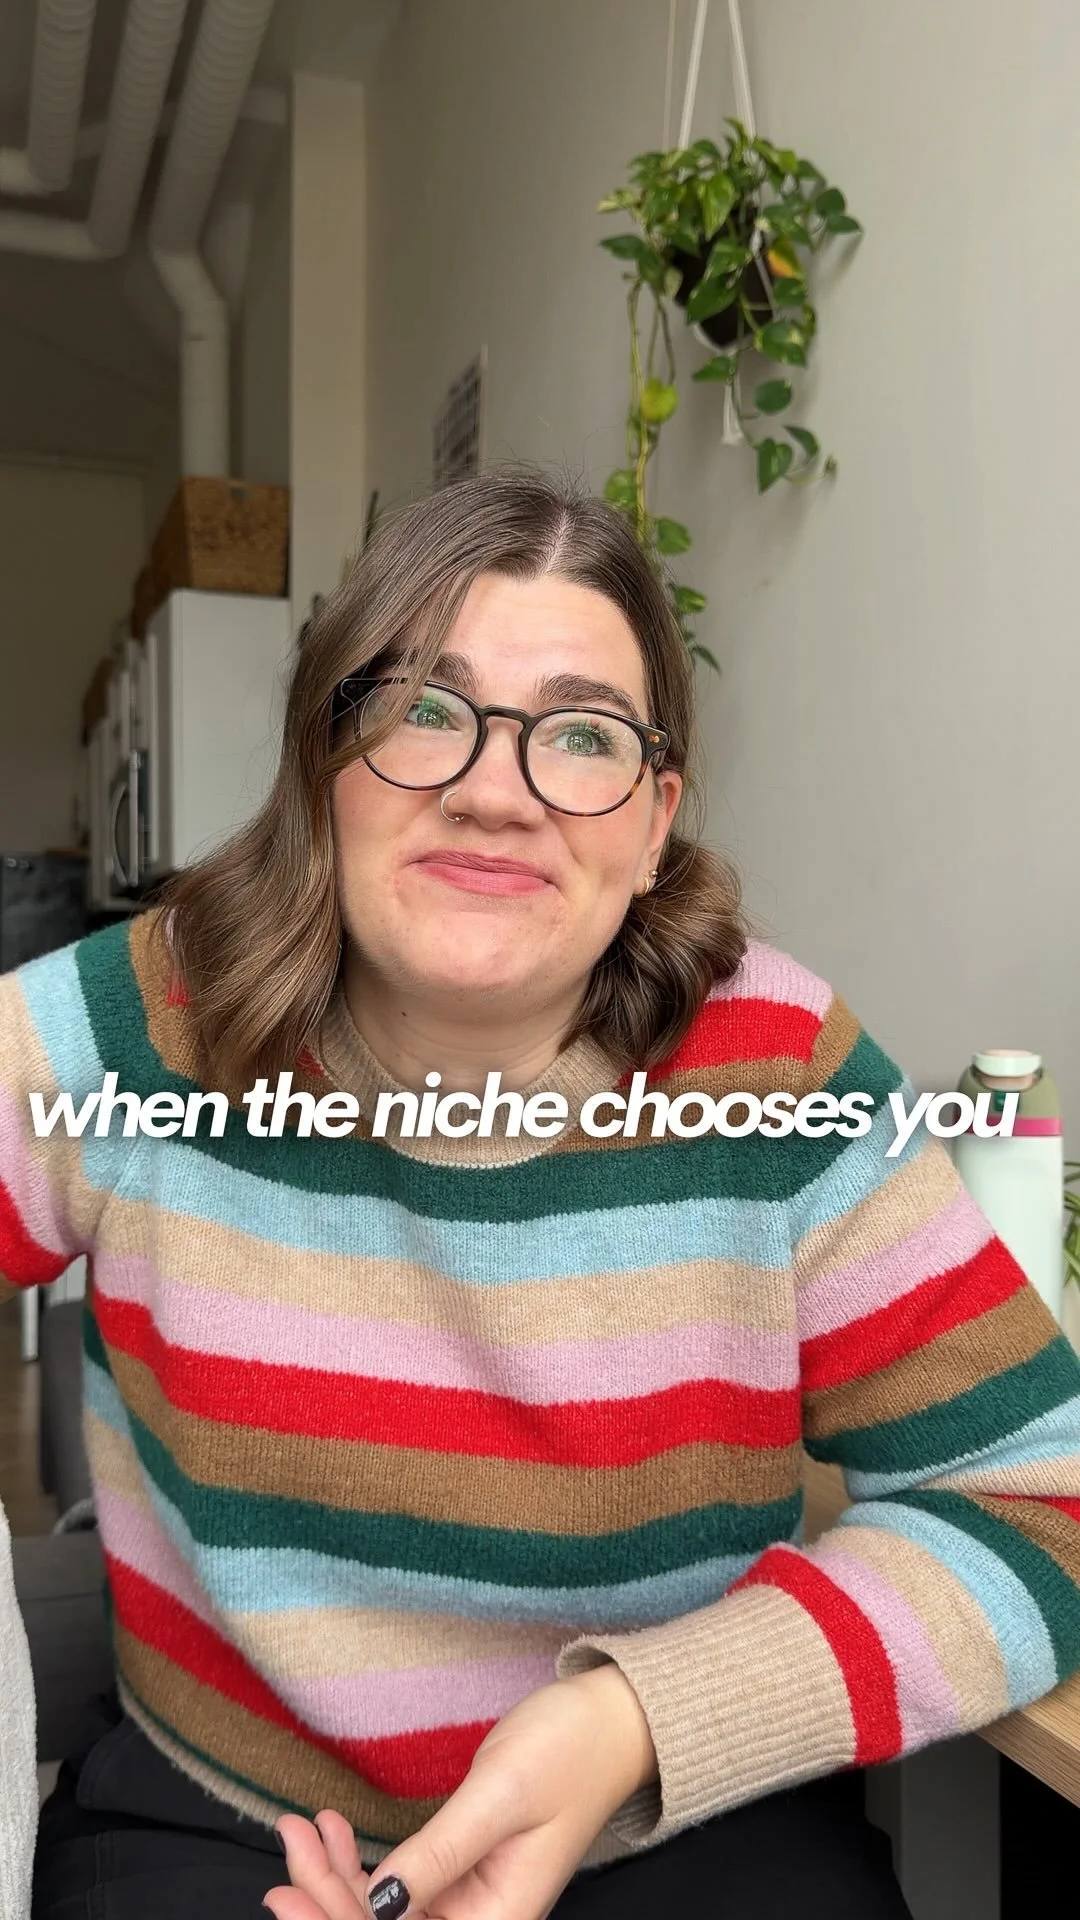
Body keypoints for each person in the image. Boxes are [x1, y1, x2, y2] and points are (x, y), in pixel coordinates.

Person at [5, 471, 1080, 1920]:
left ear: (654, 822)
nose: (495, 792)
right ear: (324, 763)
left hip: (674, 1821)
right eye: (422, 709)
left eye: (583, 735)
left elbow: (1042, 1501)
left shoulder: (776, 1068)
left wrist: (641, 1718)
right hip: (223, 1826)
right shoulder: (142, 1025)